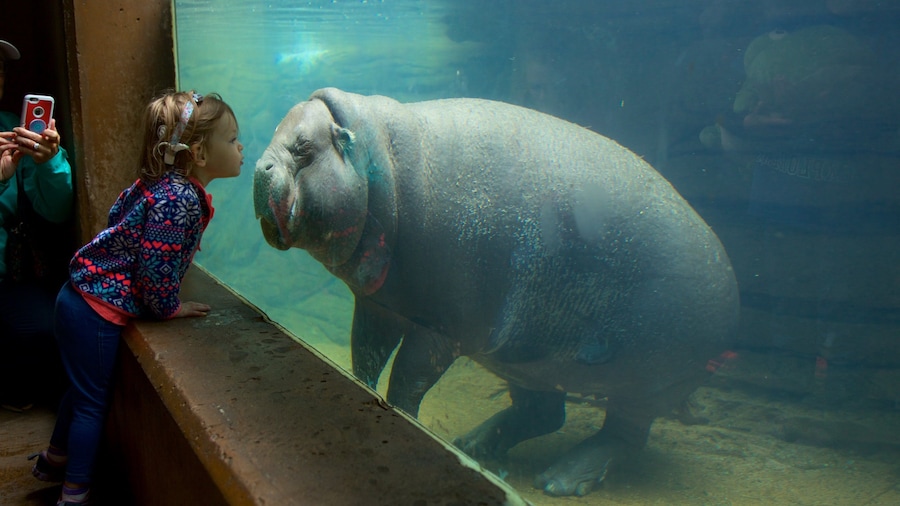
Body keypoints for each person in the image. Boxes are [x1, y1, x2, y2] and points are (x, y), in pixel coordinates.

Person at [29, 90, 243, 505]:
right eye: (233, 139)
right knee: (92, 404)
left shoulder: (160, 185)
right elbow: (154, 267)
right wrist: (169, 308)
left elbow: (118, 218)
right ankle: (74, 494)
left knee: (80, 388)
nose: (241, 148)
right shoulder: (179, 199)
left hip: (77, 296)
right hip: (95, 312)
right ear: (199, 153)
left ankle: (53, 460)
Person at [0, 38, 74, 411]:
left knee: (46, 328)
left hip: (9, 278)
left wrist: (49, 161)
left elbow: (56, 210)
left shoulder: (12, 129)